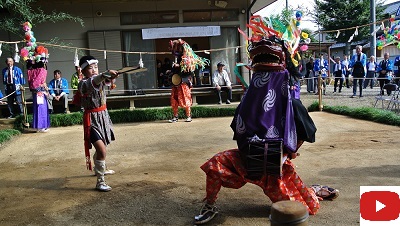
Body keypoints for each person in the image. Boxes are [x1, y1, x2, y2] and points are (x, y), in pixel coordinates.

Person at [194, 16, 338, 225]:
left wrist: (286, 154)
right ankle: (209, 204)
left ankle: (312, 191)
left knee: (306, 209)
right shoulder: (249, 98)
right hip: (245, 161)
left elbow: (308, 132)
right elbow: (238, 127)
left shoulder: (292, 103)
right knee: (215, 164)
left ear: (283, 63)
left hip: (274, 169)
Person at [77, 55, 118, 192]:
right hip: (91, 120)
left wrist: (111, 76)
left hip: (103, 116)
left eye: (96, 67)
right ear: (83, 71)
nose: (94, 70)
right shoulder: (83, 84)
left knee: (103, 147)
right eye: (90, 68)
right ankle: (100, 182)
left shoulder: (100, 80)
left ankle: (99, 167)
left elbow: (103, 80)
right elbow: (94, 81)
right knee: (101, 150)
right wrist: (105, 74)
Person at [168, 39, 209, 123]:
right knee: (174, 99)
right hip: (176, 82)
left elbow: (187, 69)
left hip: (184, 82)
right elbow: (175, 65)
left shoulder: (188, 59)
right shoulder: (178, 57)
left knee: (186, 98)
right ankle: (175, 116)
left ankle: (188, 116)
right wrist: (173, 69)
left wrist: (178, 65)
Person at [27, 59, 50, 133]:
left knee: (37, 108)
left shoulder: (30, 71)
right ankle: (41, 126)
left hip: (35, 92)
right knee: (41, 108)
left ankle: (37, 126)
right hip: (40, 92)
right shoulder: (41, 70)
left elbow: (32, 83)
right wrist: (43, 87)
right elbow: (37, 83)